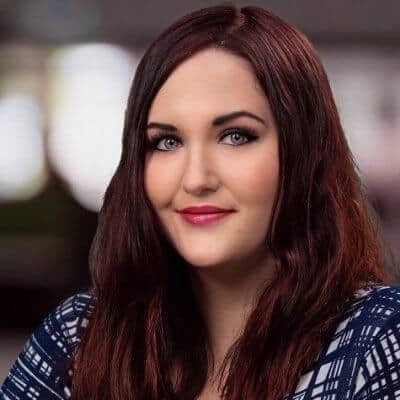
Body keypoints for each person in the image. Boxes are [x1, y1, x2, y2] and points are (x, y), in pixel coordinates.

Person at [1, 4, 400, 400]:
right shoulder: (79, 339)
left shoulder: (377, 340)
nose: (195, 179)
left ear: (304, 154)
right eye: (167, 142)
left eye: (236, 136)